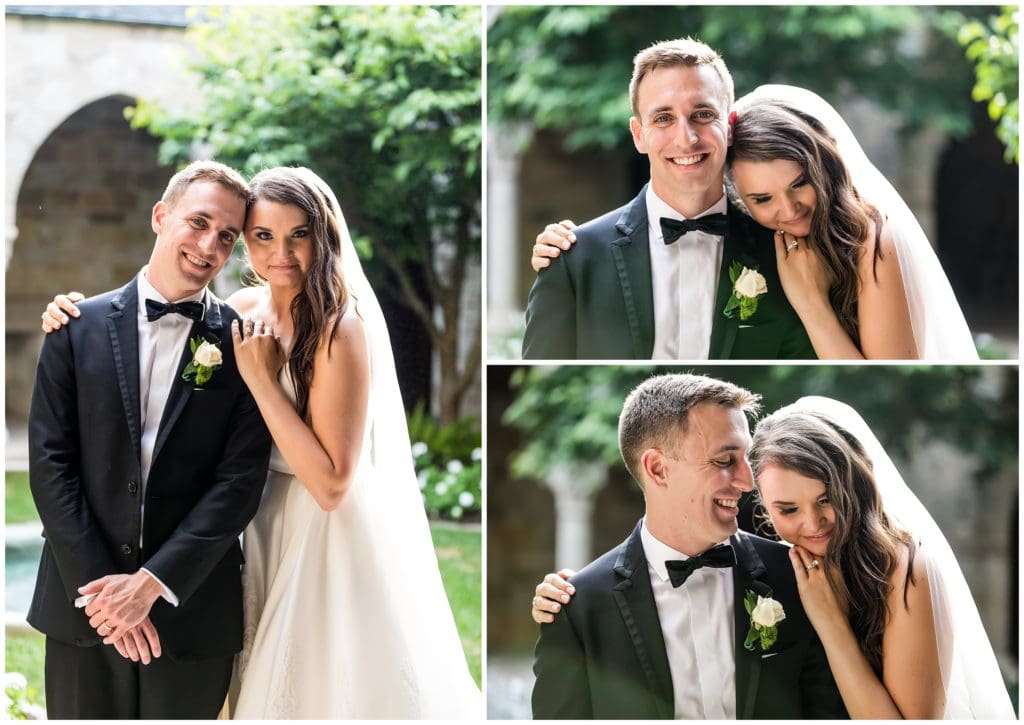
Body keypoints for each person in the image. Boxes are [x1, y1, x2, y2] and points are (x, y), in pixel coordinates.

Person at [42, 166, 481, 719]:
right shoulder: (238, 317)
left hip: (323, 535)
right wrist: (73, 315)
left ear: (323, 235)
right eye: (262, 236)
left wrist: (259, 378)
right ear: (246, 243)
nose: (283, 253)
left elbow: (329, 484)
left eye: (299, 233)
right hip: (261, 531)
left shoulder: (338, 328)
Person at [533, 396, 1014, 719]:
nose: (813, 523)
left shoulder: (891, 570)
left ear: (854, 488)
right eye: (787, 508)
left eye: (827, 499)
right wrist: (574, 598)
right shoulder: (582, 603)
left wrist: (829, 623)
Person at [27, 160, 272, 718]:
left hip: (189, 615)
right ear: (161, 216)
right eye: (199, 222)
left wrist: (153, 585)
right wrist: (105, 598)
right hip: (81, 611)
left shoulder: (244, 345)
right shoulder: (72, 328)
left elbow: (238, 483)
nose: (210, 245)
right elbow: (49, 464)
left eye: (227, 236)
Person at [531, 84, 979, 360]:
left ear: (825, 169)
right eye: (763, 198)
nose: (789, 210)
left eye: (800, 184)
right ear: (739, 197)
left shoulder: (872, 240)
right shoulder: (756, 239)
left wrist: (810, 303)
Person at [530, 374, 846, 719]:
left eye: (746, 459)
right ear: (658, 469)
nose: (747, 481)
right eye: (726, 461)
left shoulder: (798, 577)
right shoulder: (579, 608)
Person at [521, 38, 815, 360]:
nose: (686, 138)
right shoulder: (571, 259)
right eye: (663, 118)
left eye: (702, 114)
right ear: (638, 135)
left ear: (729, 126)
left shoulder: (785, 255)